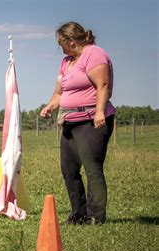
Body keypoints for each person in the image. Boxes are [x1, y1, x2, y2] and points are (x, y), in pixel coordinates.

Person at [40, 22, 116, 225]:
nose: (60, 47)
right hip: (69, 122)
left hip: (91, 121)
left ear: (71, 41)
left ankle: (95, 216)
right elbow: (60, 92)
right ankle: (78, 214)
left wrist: (99, 112)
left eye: (61, 43)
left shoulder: (94, 54)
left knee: (92, 168)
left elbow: (103, 85)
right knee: (69, 170)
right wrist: (50, 106)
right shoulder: (67, 62)